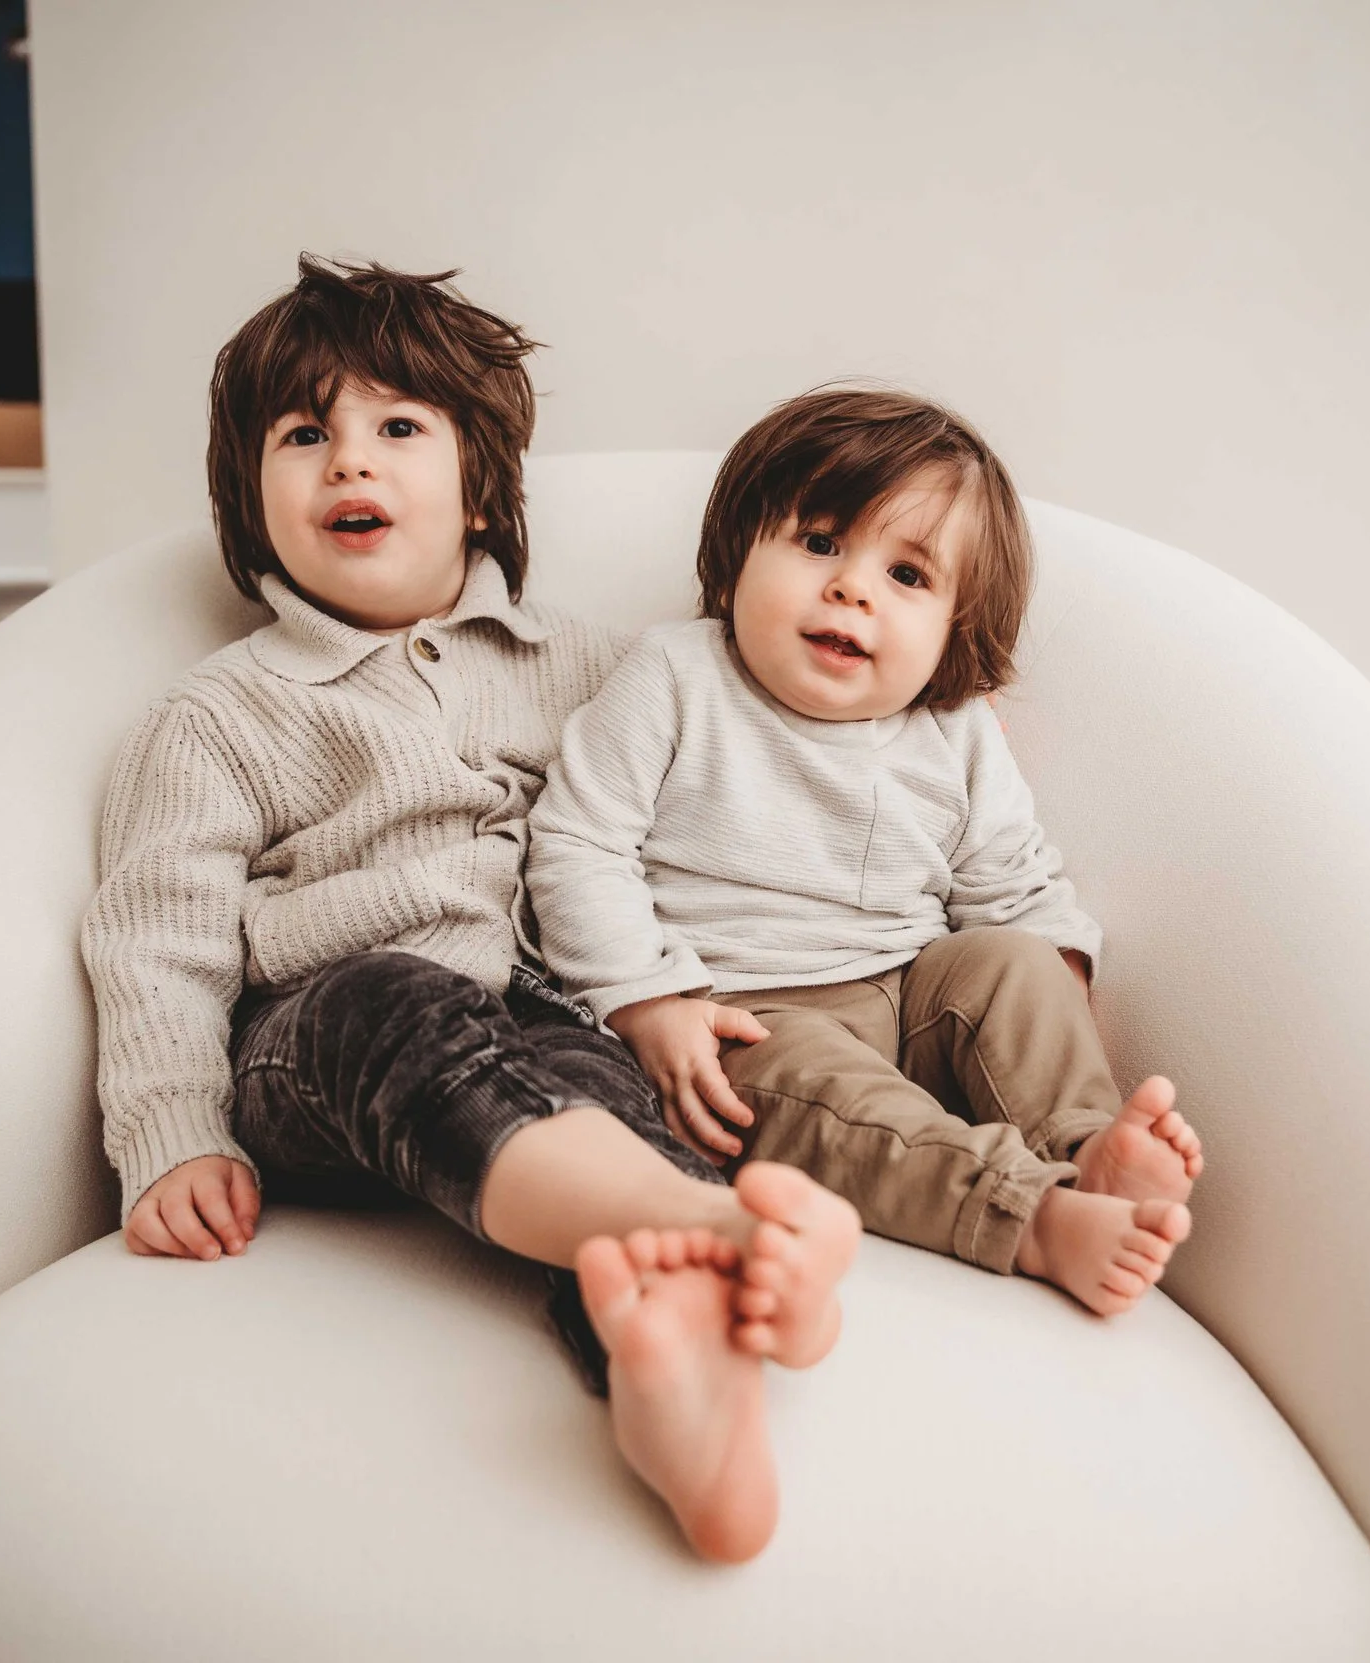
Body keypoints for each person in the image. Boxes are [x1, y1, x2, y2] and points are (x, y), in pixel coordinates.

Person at [79, 257, 859, 1565]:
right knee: (398, 993)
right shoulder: (218, 712)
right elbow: (156, 938)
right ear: (247, 495)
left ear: (481, 480)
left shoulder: (596, 665)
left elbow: (735, 762)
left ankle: (681, 1367)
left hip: (543, 1018)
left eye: (397, 427)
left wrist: (912, 713)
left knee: (610, 1082)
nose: (348, 463)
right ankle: (719, 1222)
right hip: (321, 1036)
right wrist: (170, 1130)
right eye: (303, 434)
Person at [527, 387, 1202, 1317]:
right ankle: (1026, 1214)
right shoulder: (676, 675)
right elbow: (577, 843)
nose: (852, 587)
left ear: (954, 630)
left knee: (1011, 960)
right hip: (746, 1018)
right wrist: (649, 1000)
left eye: (909, 577)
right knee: (838, 1106)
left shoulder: (955, 725)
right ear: (737, 557)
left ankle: (1085, 1149)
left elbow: (1012, 879)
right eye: (819, 544)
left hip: (910, 990)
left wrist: (1049, 990)